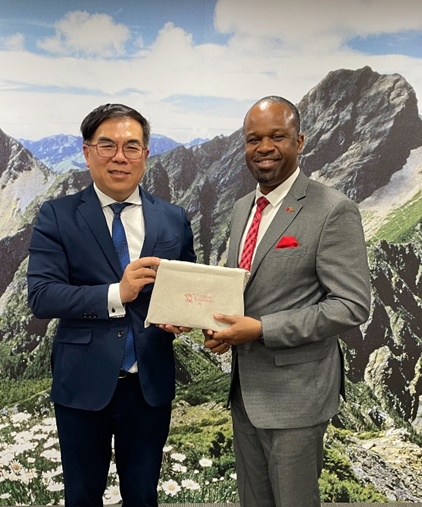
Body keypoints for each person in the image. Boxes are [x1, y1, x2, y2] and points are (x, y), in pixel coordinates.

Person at [204, 96, 371, 507]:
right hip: (245, 395)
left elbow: (351, 305)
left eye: (277, 136)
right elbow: (245, 288)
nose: (264, 147)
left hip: (297, 399)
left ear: (299, 141)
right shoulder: (243, 208)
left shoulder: (332, 209)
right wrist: (223, 328)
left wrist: (262, 329)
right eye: (253, 139)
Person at [27, 103, 196, 507]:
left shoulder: (173, 218)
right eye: (107, 145)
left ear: (145, 155)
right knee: (82, 497)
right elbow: (42, 295)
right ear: (87, 152)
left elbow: (186, 287)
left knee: (143, 496)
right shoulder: (58, 215)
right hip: (82, 385)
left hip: (148, 386)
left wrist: (183, 315)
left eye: (131, 147)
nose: (120, 157)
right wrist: (116, 293)